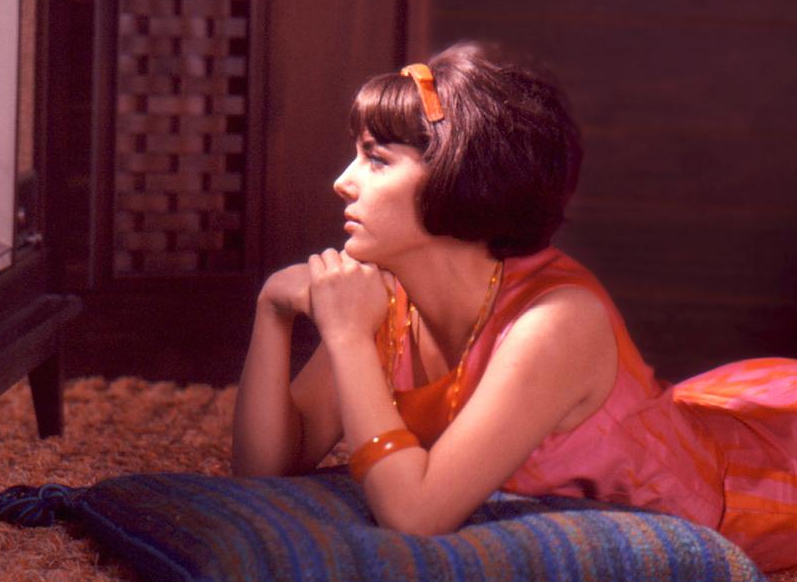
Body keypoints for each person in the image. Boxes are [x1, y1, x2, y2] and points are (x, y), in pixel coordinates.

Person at [232, 41, 797, 572]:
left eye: (376, 160)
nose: (342, 182)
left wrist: (349, 339)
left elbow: (415, 516)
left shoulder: (556, 323)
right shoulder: (387, 298)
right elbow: (263, 475)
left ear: (461, 175)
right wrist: (271, 314)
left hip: (763, 491)